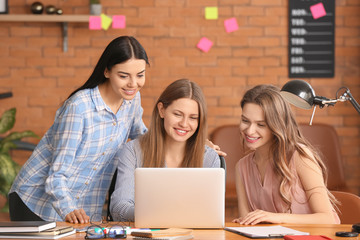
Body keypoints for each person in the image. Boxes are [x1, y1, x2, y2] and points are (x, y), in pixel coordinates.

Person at [9, 36, 149, 224]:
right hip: (37, 202)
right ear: (106, 71)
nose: (133, 84)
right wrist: (68, 207)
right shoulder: (79, 108)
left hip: (84, 208)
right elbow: (56, 174)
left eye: (140, 75)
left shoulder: (131, 101)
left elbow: (142, 138)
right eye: (124, 76)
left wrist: (178, 141)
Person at [109, 79, 221, 222]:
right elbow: (119, 209)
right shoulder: (133, 151)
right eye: (178, 114)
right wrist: (160, 215)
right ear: (162, 110)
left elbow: (211, 214)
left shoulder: (210, 158)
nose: (184, 124)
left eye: (193, 118)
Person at [232, 84, 340, 225]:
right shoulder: (242, 167)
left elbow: (328, 219)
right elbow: (247, 224)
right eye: (245, 121)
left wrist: (276, 218)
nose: (250, 131)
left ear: (276, 125)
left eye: (261, 125)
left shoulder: (299, 156)